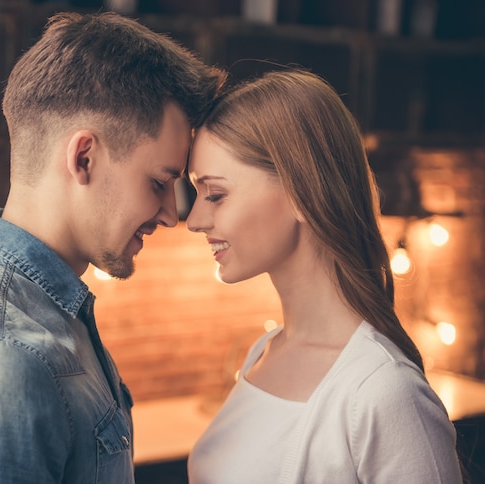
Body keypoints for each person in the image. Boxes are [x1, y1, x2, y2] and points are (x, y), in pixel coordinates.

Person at [0, 11, 225, 484]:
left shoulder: (42, 314)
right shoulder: (2, 365)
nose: (171, 213)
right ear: (83, 157)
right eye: (159, 182)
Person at [185, 69, 463, 483]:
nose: (194, 220)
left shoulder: (384, 392)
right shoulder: (262, 353)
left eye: (216, 194)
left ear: (302, 192)